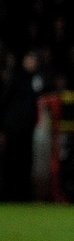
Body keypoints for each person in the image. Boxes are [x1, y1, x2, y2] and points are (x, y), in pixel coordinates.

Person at [0, 51, 44, 202]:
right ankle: (9, 195)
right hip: (13, 129)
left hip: (28, 129)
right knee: (12, 163)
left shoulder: (37, 79)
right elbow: (5, 102)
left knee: (26, 164)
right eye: (29, 58)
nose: (31, 62)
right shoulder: (16, 79)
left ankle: (24, 196)